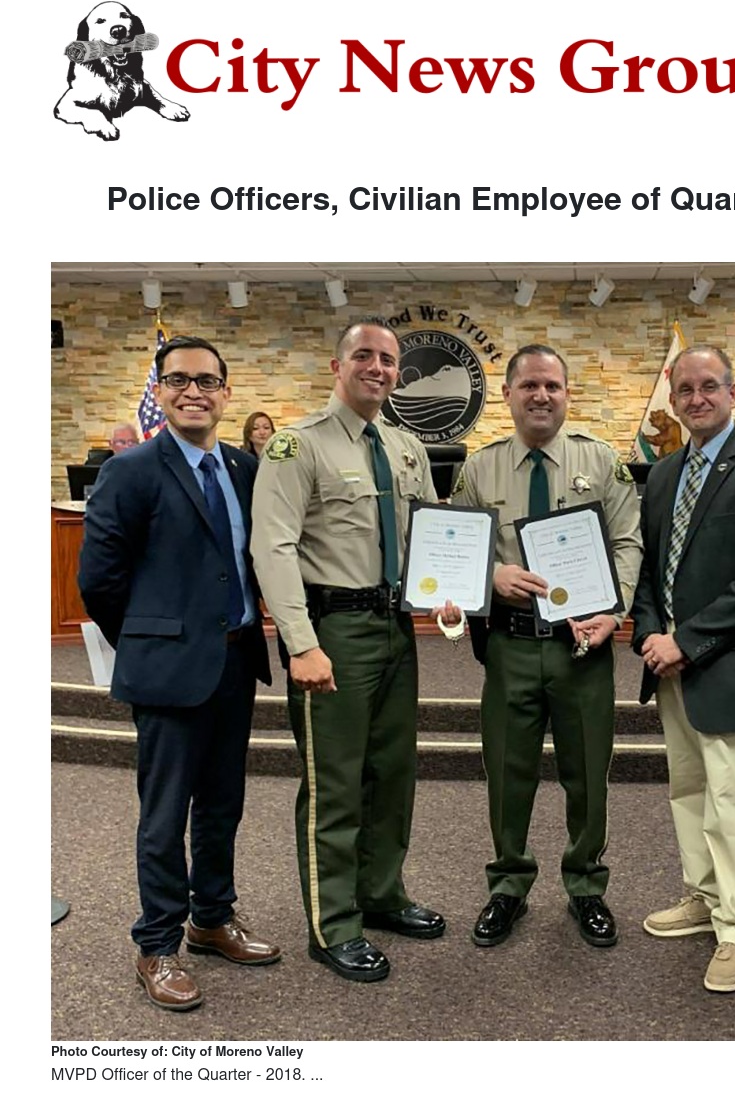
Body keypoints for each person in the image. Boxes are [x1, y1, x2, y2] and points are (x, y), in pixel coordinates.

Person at [78, 334, 280, 1013]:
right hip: (168, 670)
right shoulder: (130, 470)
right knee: (164, 816)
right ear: (160, 391)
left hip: (236, 659)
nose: (194, 391)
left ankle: (211, 917)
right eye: (179, 380)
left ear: (226, 392)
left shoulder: (244, 468)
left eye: (207, 381)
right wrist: (147, 640)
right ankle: (157, 944)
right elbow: (99, 580)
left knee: (223, 802)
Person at [250, 318, 449, 984]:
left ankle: (381, 893)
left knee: (392, 773)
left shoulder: (405, 446)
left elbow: (430, 535)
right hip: (331, 631)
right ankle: (333, 923)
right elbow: (272, 547)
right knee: (335, 783)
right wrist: (300, 643)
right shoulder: (297, 445)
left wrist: (448, 591)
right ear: (337, 366)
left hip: (395, 627)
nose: (378, 367)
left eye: (388, 359)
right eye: (364, 355)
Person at [450, 344, 642, 949]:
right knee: (508, 772)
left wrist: (614, 611)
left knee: (588, 773)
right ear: (508, 394)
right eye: (529, 385)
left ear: (566, 394)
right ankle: (508, 883)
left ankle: (586, 884)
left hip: (581, 646)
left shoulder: (601, 461)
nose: (541, 396)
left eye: (552, 386)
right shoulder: (480, 469)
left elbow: (628, 543)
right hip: (510, 645)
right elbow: (456, 548)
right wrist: (491, 575)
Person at [629, 347, 735, 993]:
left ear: (733, 392)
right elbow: (651, 568)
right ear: (672, 399)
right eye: (685, 389)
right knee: (688, 790)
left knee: (732, 802)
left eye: (709, 386)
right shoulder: (663, 473)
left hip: (730, 665)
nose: (696, 398)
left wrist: (685, 641)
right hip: (671, 665)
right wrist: (650, 633)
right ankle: (703, 898)